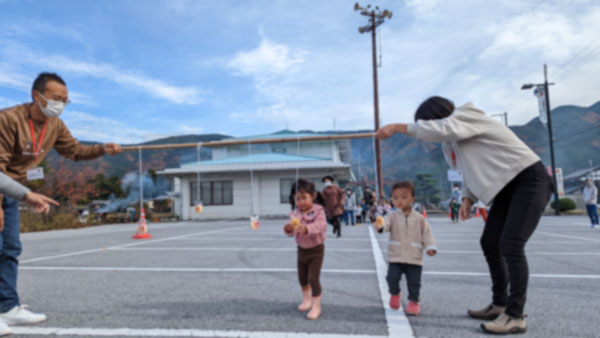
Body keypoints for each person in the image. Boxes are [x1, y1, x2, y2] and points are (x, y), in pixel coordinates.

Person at [376, 96, 553, 334]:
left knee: (511, 244)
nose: (428, 132)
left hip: (529, 179)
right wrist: (467, 198)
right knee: (490, 242)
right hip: (506, 188)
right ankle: (499, 303)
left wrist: (398, 127)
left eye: (426, 124)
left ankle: (515, 315)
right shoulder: (450, 144)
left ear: (436, 119)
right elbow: (466, 170)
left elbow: (444, 128)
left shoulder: (465, 116)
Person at [0, 72, 122, 332]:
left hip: (12, 190)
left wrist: (102, 149)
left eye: (66, 101)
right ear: (37, 96)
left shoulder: (55, 125)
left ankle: (7, 308)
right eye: (56, 98)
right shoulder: (7, 119)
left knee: (10, 249)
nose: (61, 105)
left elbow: (75, 150)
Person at [374, 181, 436, 316]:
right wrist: (380, 225)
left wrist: (430, 247)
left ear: (412, 199)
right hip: (396, 255)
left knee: (414, 283)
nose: (399, 201)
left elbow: (427, 233)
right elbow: (385, 225)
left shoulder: (419, 218)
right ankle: (395, 294)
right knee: (391, 278)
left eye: (403, 197)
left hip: (414, 257)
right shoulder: (391, 215)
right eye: (395, 198)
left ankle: (413, 302)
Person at [284, 178, 327, 320]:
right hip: (301, 250)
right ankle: (307, 300)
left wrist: (307, 228)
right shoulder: (294, 214)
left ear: (312, 196)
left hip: (316, 250)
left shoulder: (318, 210)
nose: (301, 202)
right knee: (302, 279)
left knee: (313, 278)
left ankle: (316, 306)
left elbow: (321, 225)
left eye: (304, 198)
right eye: (297, 199)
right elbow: (289, 232)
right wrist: (288, 229)